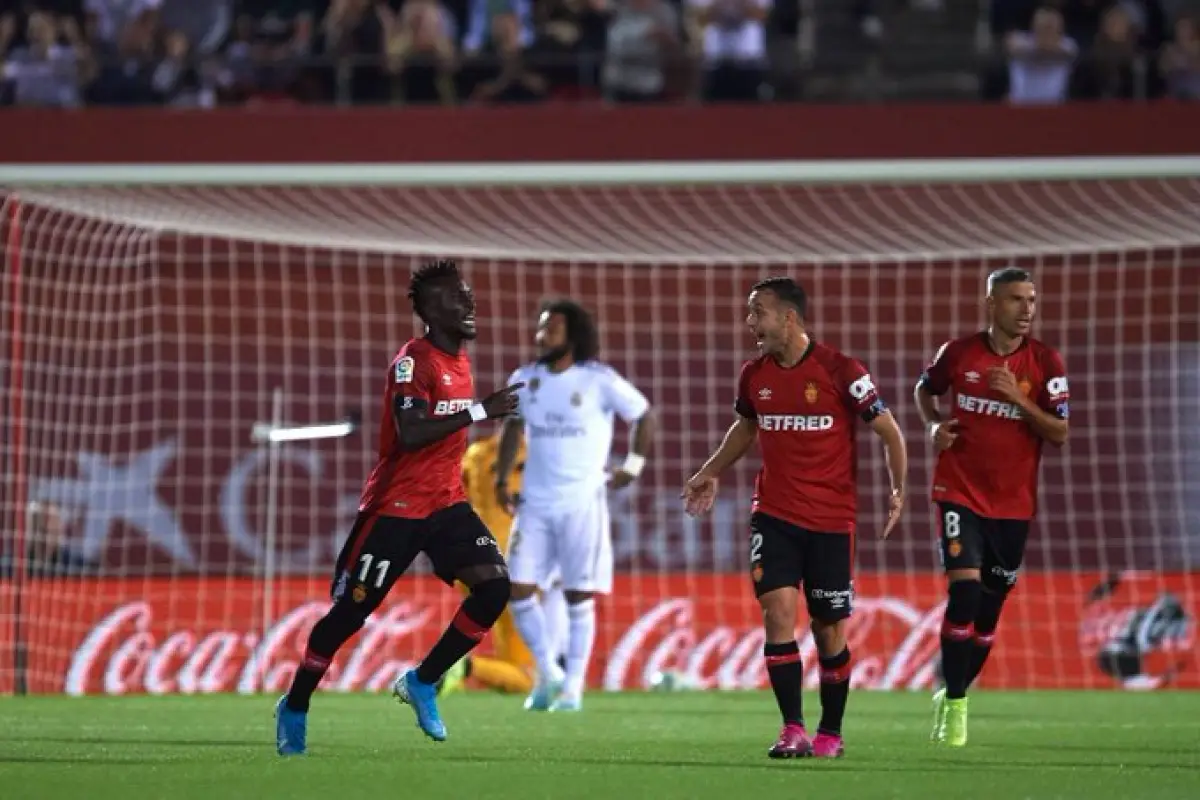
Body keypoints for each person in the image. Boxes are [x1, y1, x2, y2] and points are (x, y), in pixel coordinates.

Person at [274, 260, 523, 755]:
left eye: (468, 294)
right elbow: (410, 434)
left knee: (494, 588)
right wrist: (479, 410)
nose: (469, 302)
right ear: (431, 310)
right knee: (350, 615)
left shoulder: (460, 359)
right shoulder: (414, 361)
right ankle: (296, 703)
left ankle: (424, 681)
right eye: (457, 297)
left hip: (446, 503)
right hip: (396, 507)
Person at [682, 276, 907, 759]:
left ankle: (831, 731)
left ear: (788, 317)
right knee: (777, 613)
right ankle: (792, 728)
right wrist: (708, 472)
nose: (750, 322)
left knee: (829, 630)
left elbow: (889, 431)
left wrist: (897, 491)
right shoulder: (754, 375)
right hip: (775, 516)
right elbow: (746, 429)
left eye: (757, 312)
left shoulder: (841, 370)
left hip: (831, 521)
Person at [915, 266, 1069, 747]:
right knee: (963, 593)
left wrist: (1017, 400)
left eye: (1031, 300)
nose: (1026, 309)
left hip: (1013, 504)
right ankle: (956, 708)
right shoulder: (958, 354)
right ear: (991, 304)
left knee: (987, 614)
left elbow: (1060, 432)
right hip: (959, 491)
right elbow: (926, 389)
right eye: (1015, 300)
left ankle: (953, 690)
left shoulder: (1046, 363)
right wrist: (933, 426)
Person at [495, 299, 655, 712]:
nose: (541, 335)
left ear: (573, 335)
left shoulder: (598, 380)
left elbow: (642, 415)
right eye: (541, 327)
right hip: (534, 503)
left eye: (551, 329)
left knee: (578, 595)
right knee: (517, 588)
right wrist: (500, 476)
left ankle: (573, 689)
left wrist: (633, 466)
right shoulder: (525, 378)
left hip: (582, 503)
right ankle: (548, 673)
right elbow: (513, 426)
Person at [449, 429, 570, 695]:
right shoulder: (540, 456)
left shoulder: (475, 454)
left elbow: (452, 499)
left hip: (469, 559)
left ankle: (447, 667)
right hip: (512, 563)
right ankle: (463, 667)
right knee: (529, 676)